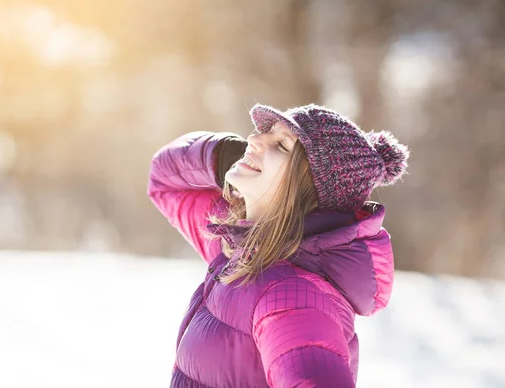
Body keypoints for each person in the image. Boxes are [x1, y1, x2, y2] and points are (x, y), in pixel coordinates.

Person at [148, 103, 409, 387]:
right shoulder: (234, 244)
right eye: (267, 131)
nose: (254, 139)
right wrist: (220, 156)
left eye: (282, 145)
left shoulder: (293, 296)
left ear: (307, 189)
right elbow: (163, 179)